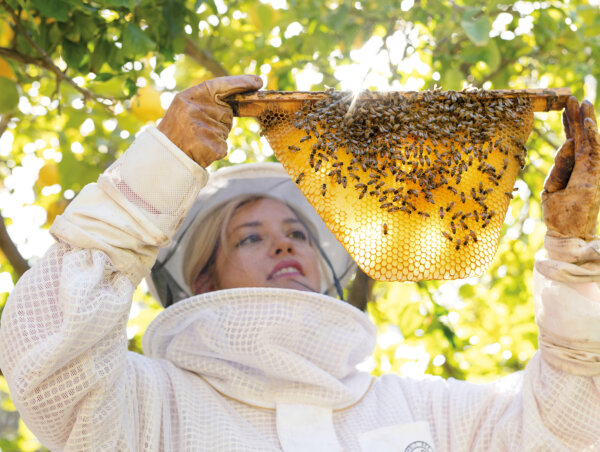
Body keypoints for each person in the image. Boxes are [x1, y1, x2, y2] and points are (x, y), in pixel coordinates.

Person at [0, 75, 599, 451]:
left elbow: (566, 427)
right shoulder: (147, 405)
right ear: (203, 276)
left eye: (295, 232)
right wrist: (161, 165)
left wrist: (573, 255)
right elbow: (49, 352)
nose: (285, 245)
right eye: (250, 239)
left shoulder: (432, 411)